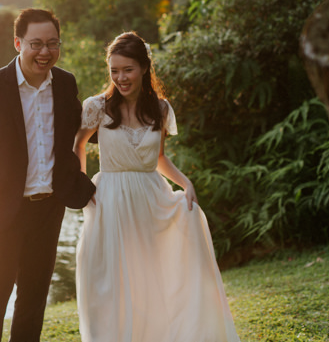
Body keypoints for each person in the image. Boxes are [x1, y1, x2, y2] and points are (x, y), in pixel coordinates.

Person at [73, 32, 240, 342]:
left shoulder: (160, 109)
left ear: (144, 68)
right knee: (108, 280)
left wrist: (185, 182)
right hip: (109, 198)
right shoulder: (97, 107)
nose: (120, 77)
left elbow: (158, 158)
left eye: (128, 69)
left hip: (151, 197)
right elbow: (78, 145)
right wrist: (82, 189)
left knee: (150, 277)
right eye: (114, 70)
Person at [0, 8, 96, 342]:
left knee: (33, 298)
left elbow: (81, 126)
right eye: (36, 44)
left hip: (49, 208)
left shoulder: (66, 83)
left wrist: (130, 115)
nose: (45, 52)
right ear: (18, 43)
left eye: (52, 43)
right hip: (1, 211)